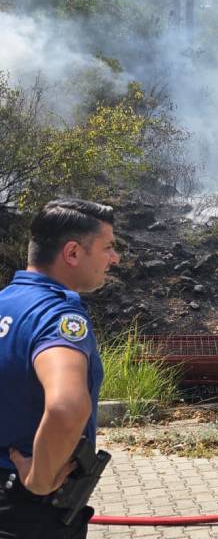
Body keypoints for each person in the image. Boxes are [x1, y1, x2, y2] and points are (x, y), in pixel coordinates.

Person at [1, 199, 119, 538]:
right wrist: (38, 480)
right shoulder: (57, 317)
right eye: (108, 247)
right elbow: (67, 407)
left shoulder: (5, 304)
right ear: (72, 253)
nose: (115, 259)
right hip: (29, 512)